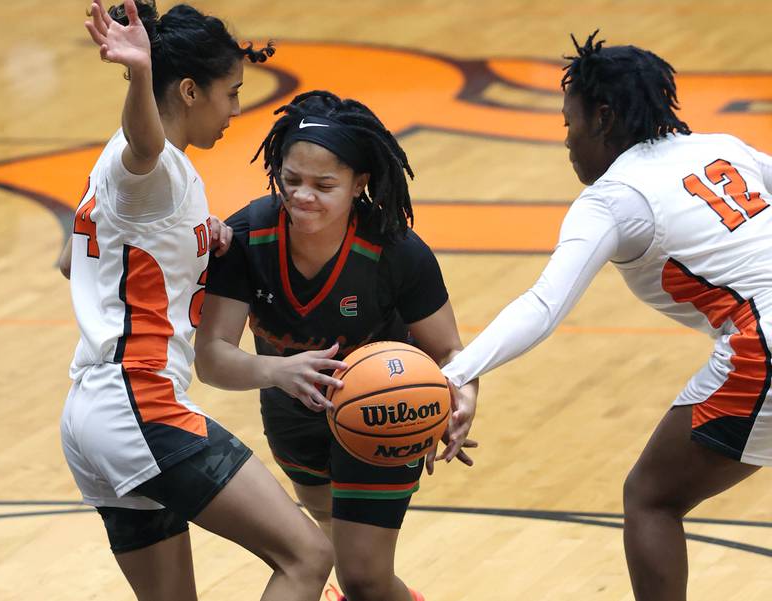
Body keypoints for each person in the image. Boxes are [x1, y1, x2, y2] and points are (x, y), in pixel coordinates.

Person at [441, 30, 772, 601]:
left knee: (651, 498)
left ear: (603, 117)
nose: (567, 144)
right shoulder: (724, 148)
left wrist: (456, 373)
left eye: (569, 125)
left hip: (759, 352)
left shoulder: (615, 198)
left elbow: (544, 305)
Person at [59, 2, 333, 600]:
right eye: (230, 93)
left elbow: (72, 260)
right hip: (141, 405)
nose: (237, 109)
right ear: (188, 91)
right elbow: (145, 145)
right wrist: (137, 76)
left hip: (90, 414)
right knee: (308, 554)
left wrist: (196, 236)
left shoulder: (127, 175)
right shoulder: (151, 167)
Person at [195, 90, 478, 601]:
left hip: (386, 408)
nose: (304, 195)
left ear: (359, 184)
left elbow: (452, 353)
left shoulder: (396, 250)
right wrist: (277, 374)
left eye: (325, 185)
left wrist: (463, 398)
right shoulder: (247, 237)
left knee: (364, 577)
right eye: (292, 179)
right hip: (289, 409)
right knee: (325, 528)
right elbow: (212, 357)